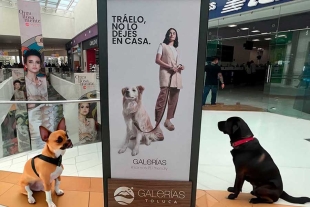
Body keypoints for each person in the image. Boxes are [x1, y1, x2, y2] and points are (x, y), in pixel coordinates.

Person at [153, 28, 185, 140]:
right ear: (167, 35)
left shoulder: (176, 49)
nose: (172, 34)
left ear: (176, 36)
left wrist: (180, 66)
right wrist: (169, 67)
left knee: (174, 99)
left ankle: (167, 120)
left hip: (176, 76)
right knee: (162, 100)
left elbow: (176, 62)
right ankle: (157, 125)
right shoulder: (162, 45)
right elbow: (157, 60)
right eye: (170, 33)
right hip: (166, 74)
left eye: (174, 33)